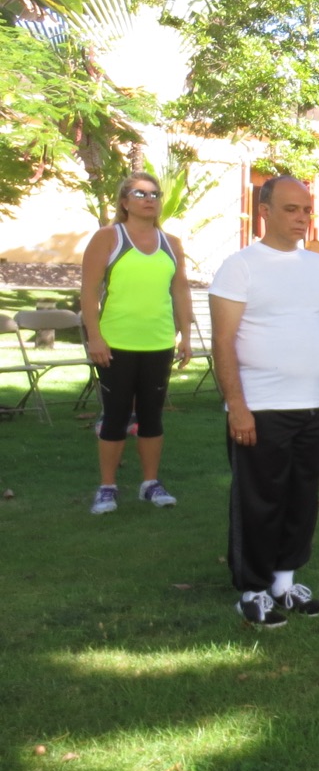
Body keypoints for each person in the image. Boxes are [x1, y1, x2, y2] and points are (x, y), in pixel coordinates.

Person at [209, 177, 319, 627]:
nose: (302, 218)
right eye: (291, 209)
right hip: (261, 405)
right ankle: (252, 590)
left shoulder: (318, 266)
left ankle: (285, 584)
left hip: (312, 402)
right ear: (264, 211)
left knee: (301, 496)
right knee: (259, 499)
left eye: (307, 210)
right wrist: (237, 405)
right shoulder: (240, 266)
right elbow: (223, 340)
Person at [79, 172, 194, 515]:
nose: (150, 199)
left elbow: (180, 289)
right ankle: (107, 487)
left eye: (154, 193)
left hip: (158, 343)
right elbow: (88, 291)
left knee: (151, 416)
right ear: (125, 201)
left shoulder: (171, 242)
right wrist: (95, 337)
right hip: (116, 344)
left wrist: (185, 335)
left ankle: (150, 484)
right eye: (140, 193)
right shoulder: (107, 238)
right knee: (115, 417)